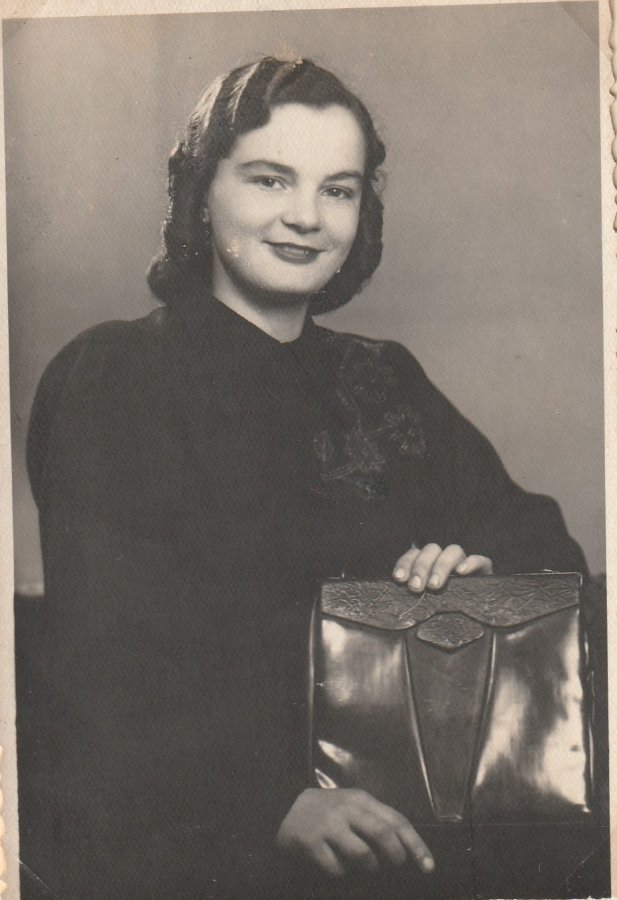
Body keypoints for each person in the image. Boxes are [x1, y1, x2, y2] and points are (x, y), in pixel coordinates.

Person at [20, 56, 588, 899]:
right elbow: (105, 654)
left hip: (416, 818)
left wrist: (469, 571)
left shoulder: (383, 377)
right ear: (201, 192)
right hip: (210, 839)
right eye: (269, 179)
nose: (305, 218)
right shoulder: (114, 374)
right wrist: (270, 804)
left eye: (338, 190)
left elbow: (547, 552)